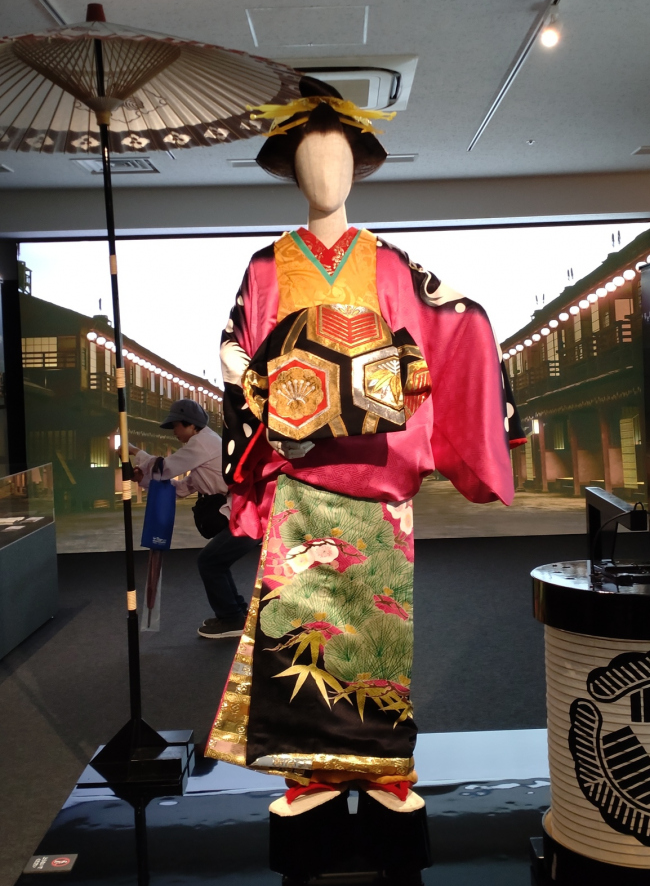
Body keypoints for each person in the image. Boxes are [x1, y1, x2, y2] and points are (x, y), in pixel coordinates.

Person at [206, 81, 524, 828]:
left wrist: (442, 351)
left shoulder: (390, 262)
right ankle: (310, 771)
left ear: (357, 167)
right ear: (291, 171)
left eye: (337, 158)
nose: (326, 173)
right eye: (310, 159)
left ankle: (383, 762)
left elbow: (448, 324)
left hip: (378, 472)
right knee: (299, 629)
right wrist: (240, 366)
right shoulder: (265, 266)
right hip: (300, 470)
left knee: (378, 630)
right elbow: (236, 339)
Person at [130, 397, 258, 639]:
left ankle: (232, 617)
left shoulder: (202, 443)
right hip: (244, 513)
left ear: (190, 424)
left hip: (246, 514)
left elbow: (164, 468)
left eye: (175, 426)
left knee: (210, 561)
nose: (174, 432)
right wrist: (143, 479)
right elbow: (179, 488)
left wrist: (135, 452)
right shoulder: (204, 446)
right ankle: (236, 613)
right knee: (216, 561)